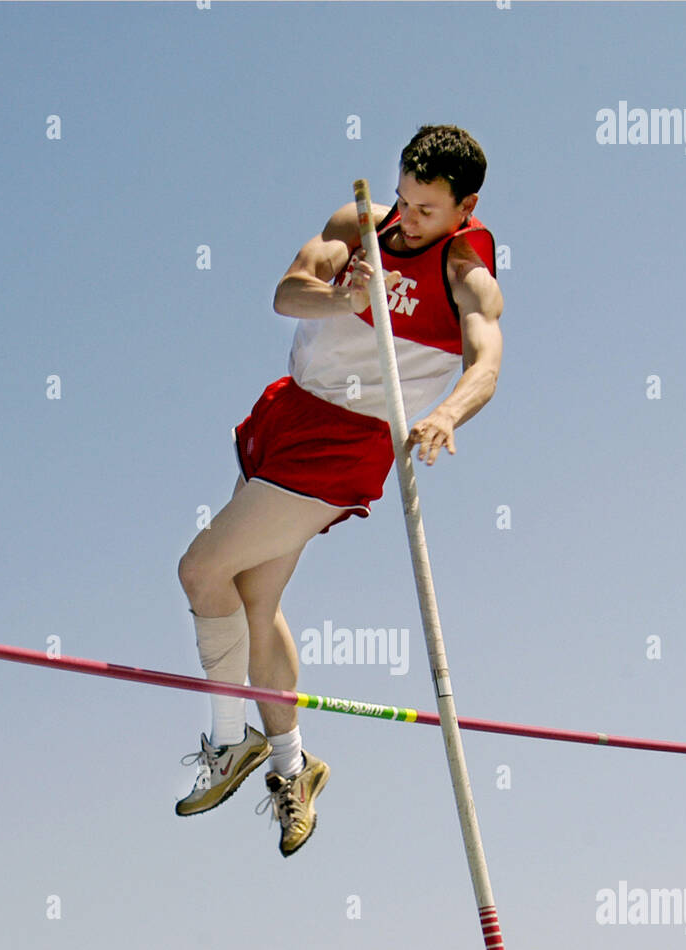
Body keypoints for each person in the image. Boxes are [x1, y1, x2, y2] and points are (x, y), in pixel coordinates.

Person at [176, 124, 503, 857]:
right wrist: (343, 298)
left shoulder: (464, 271)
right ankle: (294, 767)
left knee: (201, 570)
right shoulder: (358, 228)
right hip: (288, 414)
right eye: (403, 198)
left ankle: (231, 740)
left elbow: (487, 360)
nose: (406, 218)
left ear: (465, 206)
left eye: (425, 209)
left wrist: (447, 412)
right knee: (253, 603)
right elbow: (288, 292)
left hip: (344, 441)